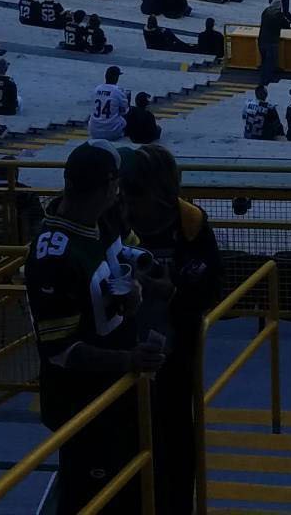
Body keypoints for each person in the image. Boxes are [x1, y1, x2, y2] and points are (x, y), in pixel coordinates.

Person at [23, 143, 171, 514]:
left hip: (118, 392)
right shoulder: (52, 256)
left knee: (129, 485)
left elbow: (126, 253)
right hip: (84, 403)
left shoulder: (101, 218)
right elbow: (61, 351)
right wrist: (128, 360)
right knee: (89, 498)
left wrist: (142, 281)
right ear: (107, 187)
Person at [118, 144, 221, 515]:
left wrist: (171, 289)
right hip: (119, 354)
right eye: (125, 194)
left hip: (174, 354)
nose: (130, 203)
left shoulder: (190, 222)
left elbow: (210, 284)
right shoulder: (113, 220)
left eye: (137, 194)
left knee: (174, 437)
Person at [89, 65, 129, 143]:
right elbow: (124, 111)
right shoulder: (118, 92)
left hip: (94, 131)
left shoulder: (97, 89)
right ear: (116, 78)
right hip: (111, 132)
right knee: (126, 117)